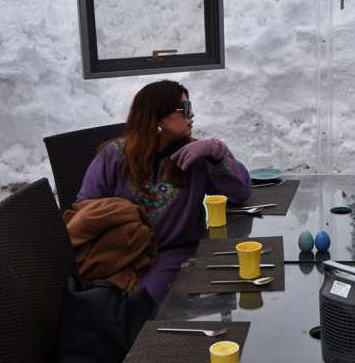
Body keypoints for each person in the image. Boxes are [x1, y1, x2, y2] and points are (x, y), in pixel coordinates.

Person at [77, 80, 252, 301]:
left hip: (173, 255)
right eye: (185, 109)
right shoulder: (115, 155)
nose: (192, 114)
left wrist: (217, 151)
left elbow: (241, 192)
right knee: (101, 305)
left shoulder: (196, 156)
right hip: (121, 256)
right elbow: (86, 207)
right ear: (158, 117)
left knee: (141, 302)